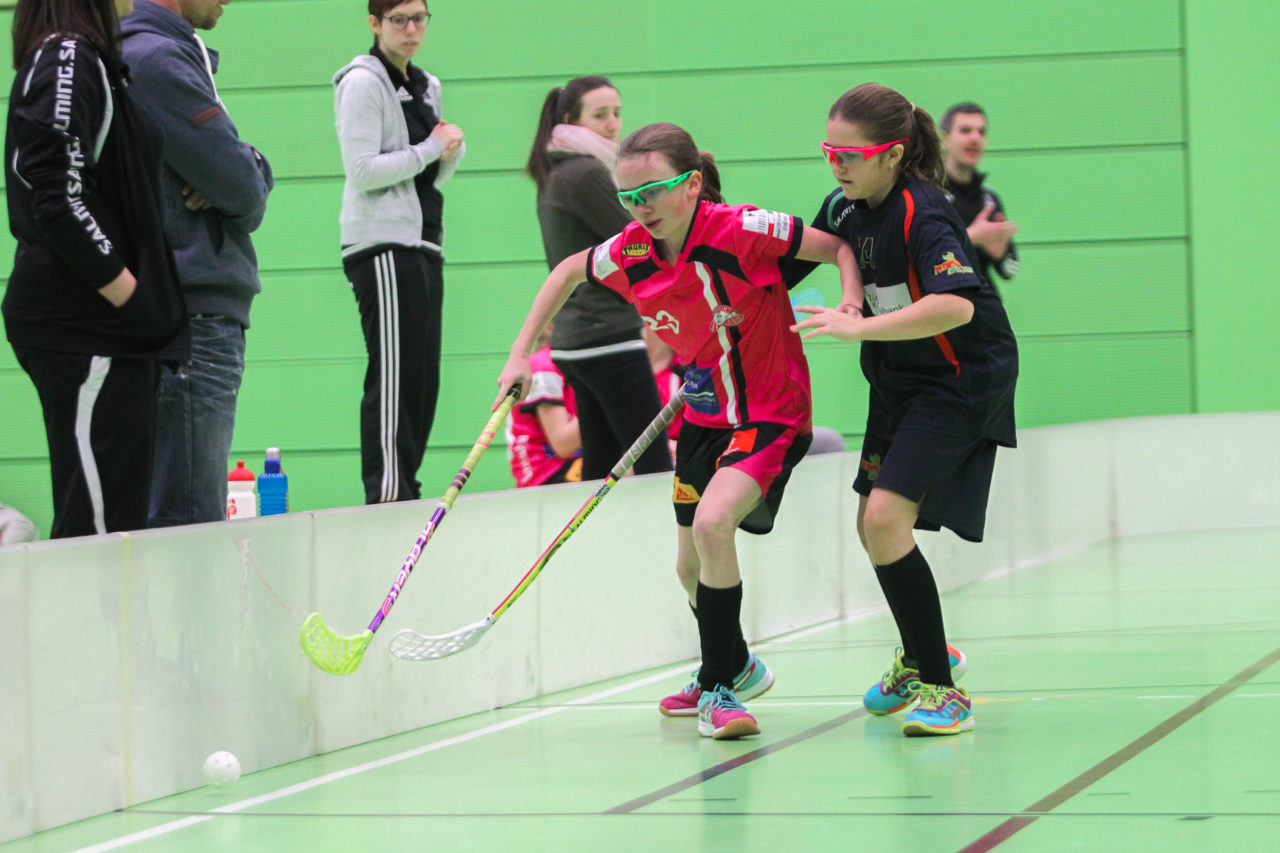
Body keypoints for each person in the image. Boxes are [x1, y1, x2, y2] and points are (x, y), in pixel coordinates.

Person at [498, 122, 862, 740]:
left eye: (653, 193)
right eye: (628, 198)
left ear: (692, 185)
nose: (640, 210)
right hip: (703, 417)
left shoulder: (744, 228)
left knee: (715, 522)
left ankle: (718, 686)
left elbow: (837, 247)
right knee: (688, 565)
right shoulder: (632, 251)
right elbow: (565, 272)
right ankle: (734, 663)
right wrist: (518, 355)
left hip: (769, 412)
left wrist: (850, 303)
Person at [789, 83, 1019, 737]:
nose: (836, 164)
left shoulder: (925, 213)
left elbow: (958, 304)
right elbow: (792, 259)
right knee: (873, 523)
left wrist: (855, 327)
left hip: (961, 375)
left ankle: (943, 690)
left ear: (892, 155)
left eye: (850, 154)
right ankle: (925, 651)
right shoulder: (845, 203)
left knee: (887, 516)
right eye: (828, 150)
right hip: (900, 375)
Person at [4, 0, 188, 538]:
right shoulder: (66, 54)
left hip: (111, 337)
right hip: (86, 332)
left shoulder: (93, 60)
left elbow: (105, 178)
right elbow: (53, 191)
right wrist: (131, 298)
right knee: (99, 538)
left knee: (114, 530)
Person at [121, 0, 274, 527]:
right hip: (193, 318)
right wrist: (248, 168)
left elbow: (237, 174)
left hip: (188, 311)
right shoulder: (156, 59)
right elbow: (242, 188)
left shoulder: (166, 52)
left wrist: (246, 164)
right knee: (185, 526)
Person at [335, 0, 465, 504]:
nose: (412, 30)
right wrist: (433, 147)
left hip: (424, 240)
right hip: (382, 243)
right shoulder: (364, 82)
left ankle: (405, 485)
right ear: (375, 24)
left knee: (422, 378)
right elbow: (363, 171)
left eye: (419, 19)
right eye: (399, 21)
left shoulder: (425, 85)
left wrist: (448, 154)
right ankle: (388, 495)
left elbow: (430, 175)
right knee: (394, 373)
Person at [525, 76, 673, 481]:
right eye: (600, 115)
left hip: (576, 341)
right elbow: (639, 237)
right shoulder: (586, 172)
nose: (612, 124)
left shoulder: (557, 171)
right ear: (572, 120)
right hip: (607, 336)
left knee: (603, 463)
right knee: (654, 462)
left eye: (617, 114)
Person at [940, 102, 1019, 288]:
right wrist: (971, 237)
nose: (975, 138)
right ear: (945, 139)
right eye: (965, 130)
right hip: (943, 307)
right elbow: (915, 256)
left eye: (981, 132)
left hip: (984, 308)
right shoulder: (928, 195)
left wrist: (1000, 254)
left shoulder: (989, 200)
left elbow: (1011, 270)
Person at [507, 326, 582, 489]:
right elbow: (563, 445)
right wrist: (611, 396)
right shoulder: (543, 365)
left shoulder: (578, 362)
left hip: (578, 460)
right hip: (546, 473)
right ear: (549, 327)